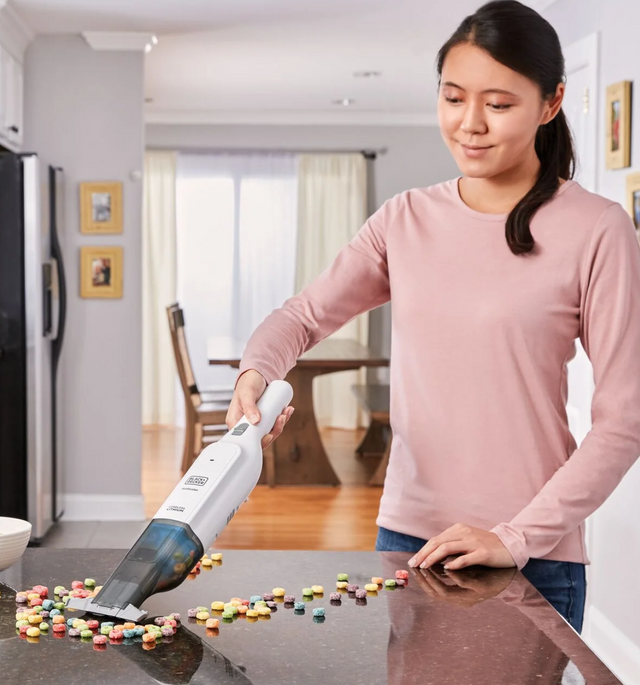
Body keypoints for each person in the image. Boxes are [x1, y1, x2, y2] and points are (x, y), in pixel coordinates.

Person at [225, 0, 640, 635]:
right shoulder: (404, 219)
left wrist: (515, 537)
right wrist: (256, 374)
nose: (470, 124)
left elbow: (623, 422)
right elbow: (303, 316)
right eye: (453, 98)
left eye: (498, 105)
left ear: (551, 103)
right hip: (410, 540)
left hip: (532, 554)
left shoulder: (599, 229)